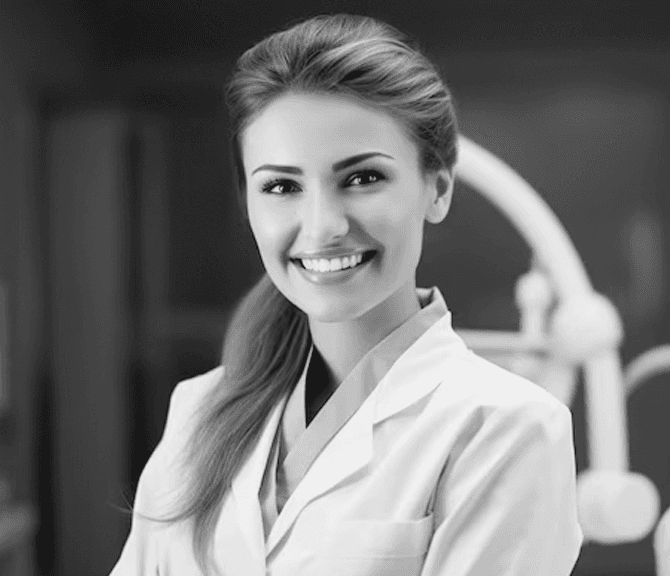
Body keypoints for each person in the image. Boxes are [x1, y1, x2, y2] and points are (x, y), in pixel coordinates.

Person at [110, 13, 583, 576]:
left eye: (362, 178)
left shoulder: (505, 428)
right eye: (282, 186)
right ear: (250, 205)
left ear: (438, 189)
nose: (321, 227)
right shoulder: (200, 411)